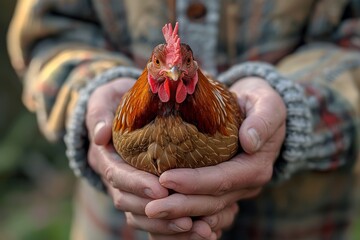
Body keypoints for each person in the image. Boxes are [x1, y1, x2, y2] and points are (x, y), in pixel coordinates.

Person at [7, 0, 360, 239]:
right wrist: (88, 92)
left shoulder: (220, 114)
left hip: (298, 225)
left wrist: (295, 108)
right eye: (163, 64)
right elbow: (49, 34)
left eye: (181, 65)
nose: (173, 71)